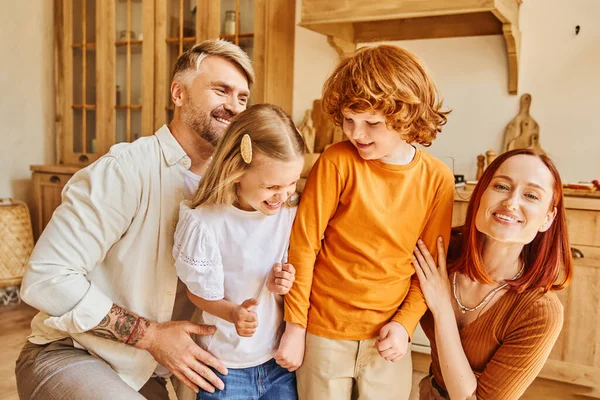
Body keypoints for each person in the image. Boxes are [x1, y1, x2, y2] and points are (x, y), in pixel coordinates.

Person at [16, 39, 254, 400]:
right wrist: (152, 336)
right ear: (178, 93)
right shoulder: (124, 171)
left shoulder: (236, 189)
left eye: (242, 97)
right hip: (72, 353)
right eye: (221, 90)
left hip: (151, 371)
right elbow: (46, 278)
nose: (233, 106)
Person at [276, 44, 455, 400]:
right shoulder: (335, 161)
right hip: (323, 333)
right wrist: (295, 327)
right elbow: (304, 244)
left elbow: (430, 269)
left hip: (387, 338)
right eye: (348, 120)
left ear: (408, 118)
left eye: (372, 123)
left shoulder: (437, 179)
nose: (357, 134)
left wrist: (404, 326)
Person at [412, 148, 573, 400]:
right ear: (480, 195)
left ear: (547, 218)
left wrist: (442, 308)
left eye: (531, 195)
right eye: (501, 186)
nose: (511, 202)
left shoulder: (540, 312)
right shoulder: (442, 249)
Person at [173, 104, 305, 399]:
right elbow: (197, 293)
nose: (282, 195)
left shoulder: (289, 212)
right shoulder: (207, 222)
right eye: (271, 186)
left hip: (277, 364)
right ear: (237, 171)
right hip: (225, 369)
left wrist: (279, 288)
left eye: (292, 183)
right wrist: (233, 313)